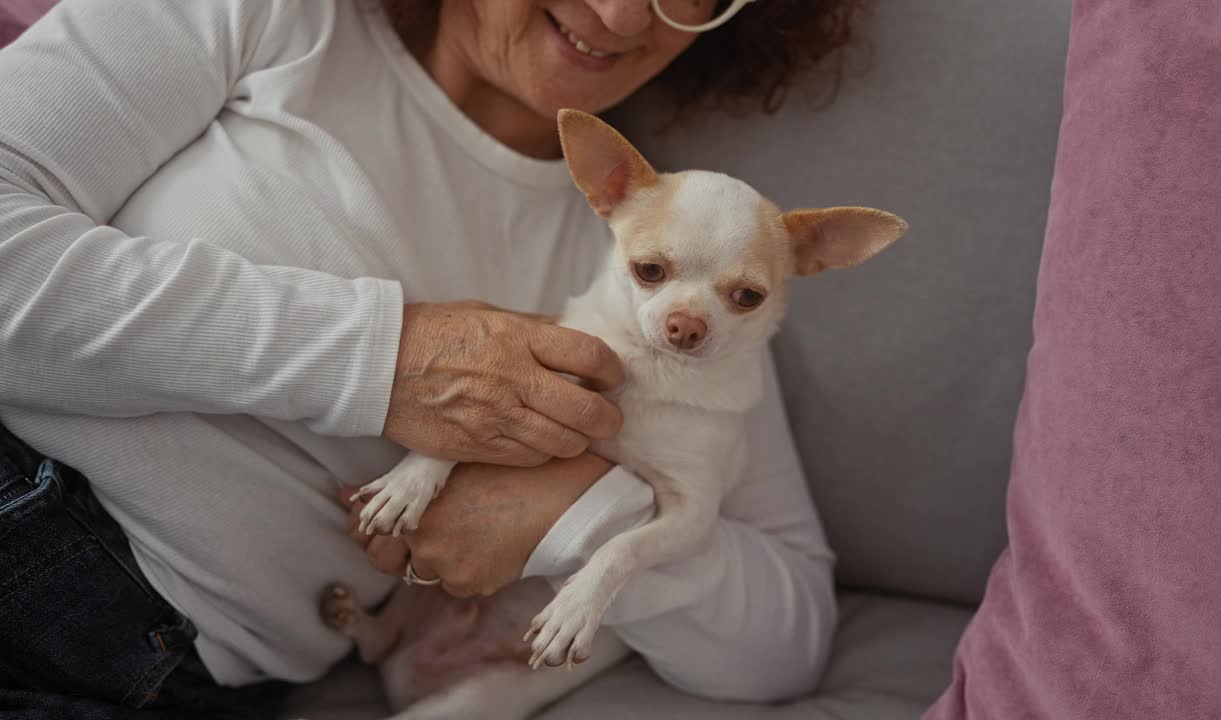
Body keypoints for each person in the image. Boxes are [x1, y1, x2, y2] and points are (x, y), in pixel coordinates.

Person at [0, 0, 864, 717]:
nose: (618, 12)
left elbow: (782, 645)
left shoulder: (685, 249)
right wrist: (381, 359)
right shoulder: (278, 14)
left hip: (161, 662)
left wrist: (580, 513)